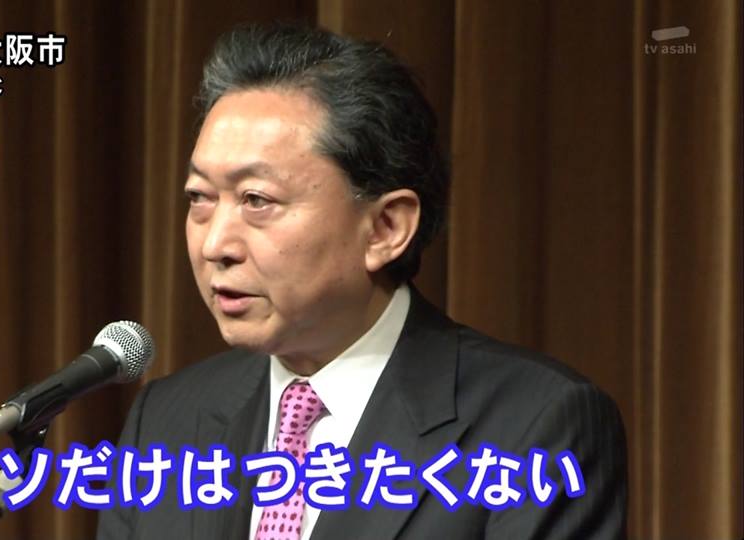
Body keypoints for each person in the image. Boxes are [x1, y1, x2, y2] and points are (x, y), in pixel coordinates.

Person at [97, 23, 627, 540]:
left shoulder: (537, 426)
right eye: (200, 198)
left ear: (385, 228)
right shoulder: (165, 421)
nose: (215, 244)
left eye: (257, 200)